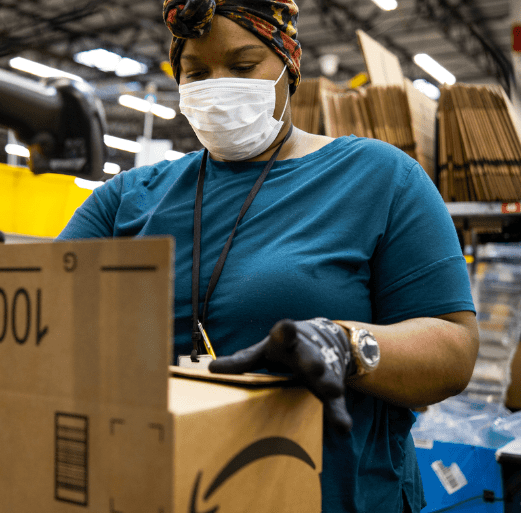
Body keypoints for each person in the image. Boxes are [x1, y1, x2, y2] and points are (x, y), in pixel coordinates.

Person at [58, 0, 479, 511]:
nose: (218, 85)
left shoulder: (380, 178)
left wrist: (344, 345)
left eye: (242, 66)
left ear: (287, 63)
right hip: (165, 489)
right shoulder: (126, 198)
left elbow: (455, 350)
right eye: (196, 71)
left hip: (335, 494)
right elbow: (41, 304)